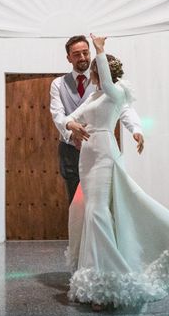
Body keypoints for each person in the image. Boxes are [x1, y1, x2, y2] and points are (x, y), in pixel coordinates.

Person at [64, 34, 169, 310]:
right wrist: (71, 125)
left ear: (101, 69)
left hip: (106, 153)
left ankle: (111, 280)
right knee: (94, 213)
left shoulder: (115, 92)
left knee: (97, 213)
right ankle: (97, 279)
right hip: (88, 154)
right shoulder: (94, 96)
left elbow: (126, 111)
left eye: (95, 66)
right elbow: (70, 118)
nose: (92, 71)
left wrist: (100, 49)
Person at [50, 35, 144, 204]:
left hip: (100, 151)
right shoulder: (58, 83)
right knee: (76, 202)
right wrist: (71, 132)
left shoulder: (104, 82)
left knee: (101, 201)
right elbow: (58, 115)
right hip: (70, 151)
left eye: (86, 53)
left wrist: (135, 128)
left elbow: (124, 107)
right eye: (77, 54)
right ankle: (83, 231)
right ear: (69, 57)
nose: (83, 58)